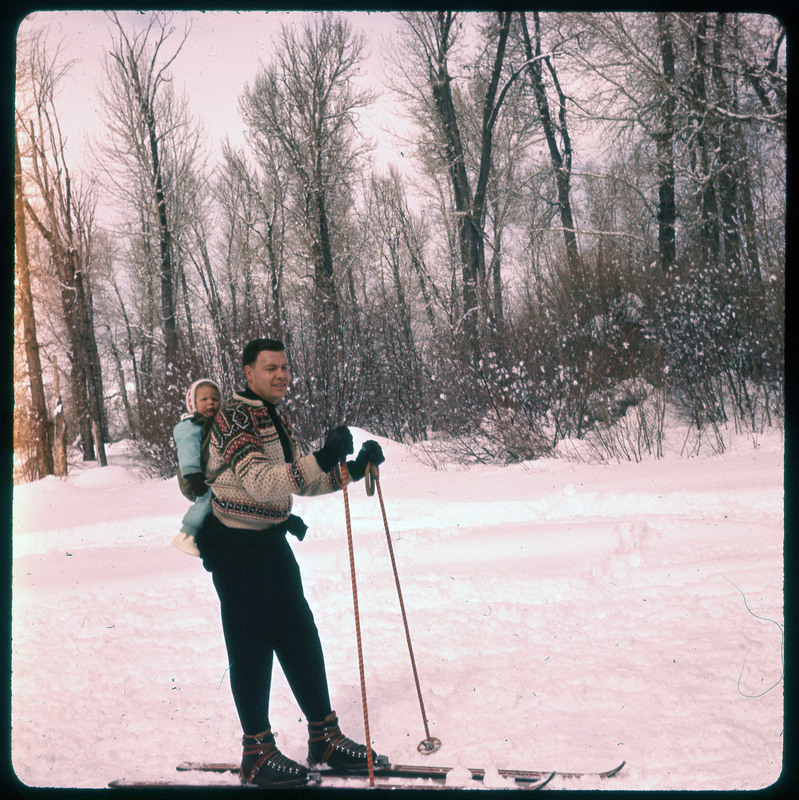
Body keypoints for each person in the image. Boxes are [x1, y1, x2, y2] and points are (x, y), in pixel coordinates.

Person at [195, 338, 386, 787]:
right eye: (270, 368)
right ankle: (256, 752)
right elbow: (262, 483)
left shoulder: (271, 415)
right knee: (251, 646)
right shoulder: (235, 418)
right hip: (237, 548)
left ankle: (324, 738)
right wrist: (321, 456)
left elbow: (296, 483)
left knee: (299, 634)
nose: (281, 375)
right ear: (248, 372)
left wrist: (354, 469)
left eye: (284, 367)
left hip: (270, 543)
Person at [172, 379, 221, 556]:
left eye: (215, 399)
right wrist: (193, 475)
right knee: (207, 499)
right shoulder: (189, 426)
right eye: (204, 399)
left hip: (208, 476)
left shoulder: (215, 424)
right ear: (192, 403)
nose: (210, 403)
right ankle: (186, 535)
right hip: (194, 477)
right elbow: (187, 451)